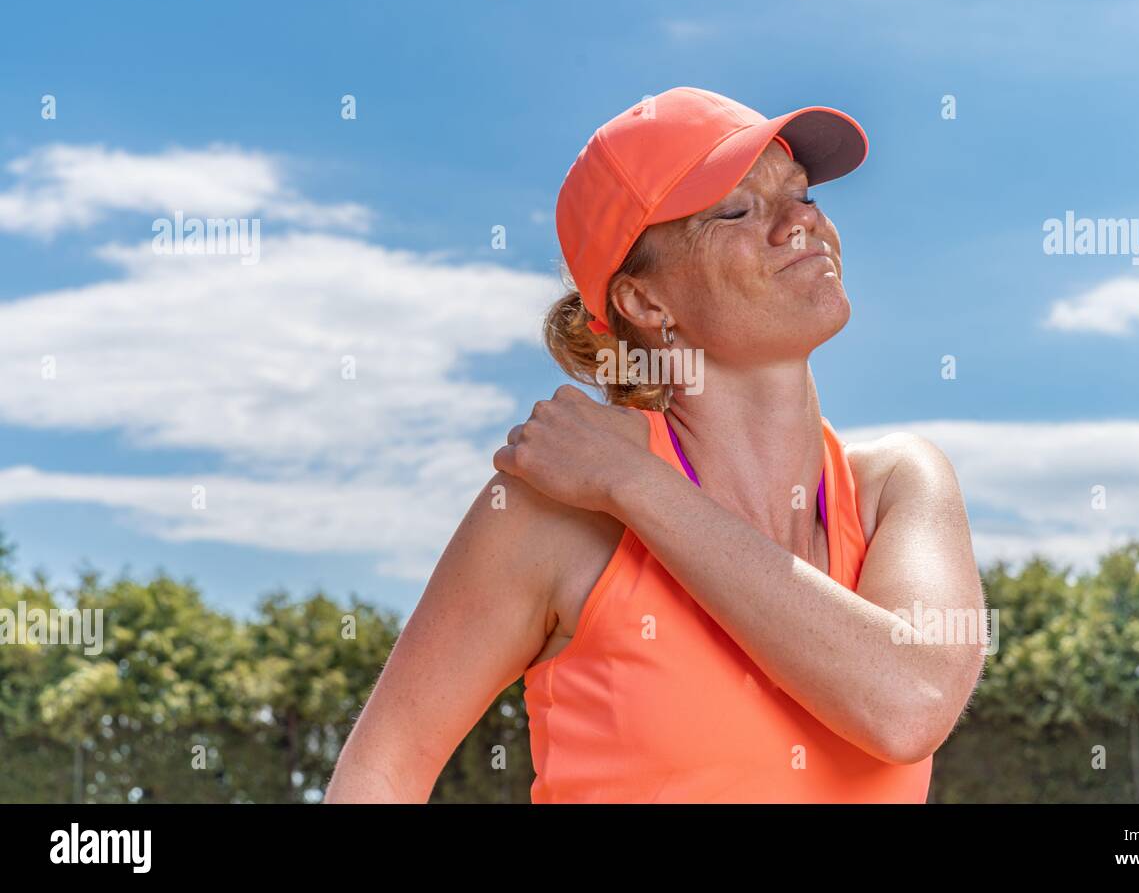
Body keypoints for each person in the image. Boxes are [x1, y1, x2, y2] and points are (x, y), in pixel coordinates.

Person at [325, 86, 985, 803]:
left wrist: (637, 486)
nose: (800, 223)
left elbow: (909, 703)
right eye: (736, 209)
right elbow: (379, 775)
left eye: (801, 194)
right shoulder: (553, 514)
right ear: (645, 303)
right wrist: (620, 486)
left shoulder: (896, 486)